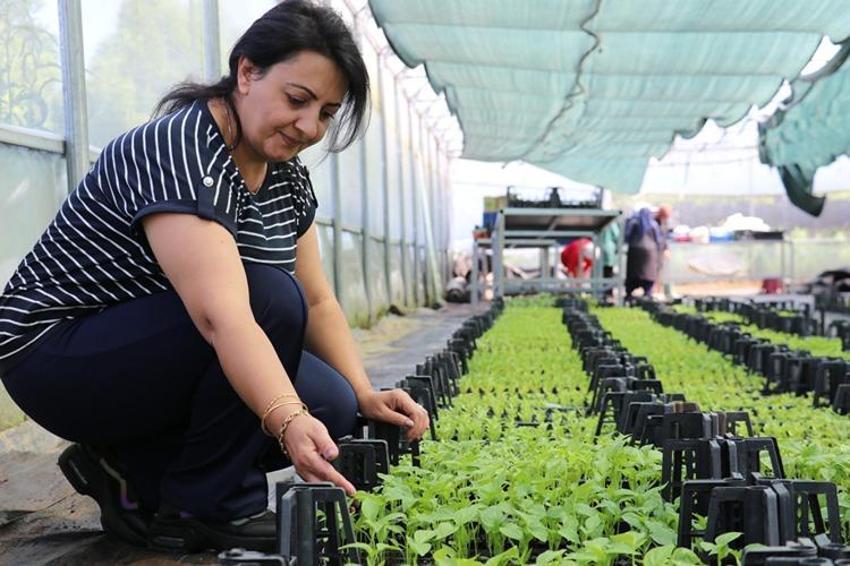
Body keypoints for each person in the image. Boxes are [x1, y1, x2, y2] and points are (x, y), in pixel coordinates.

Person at [0, 0, 428, 552]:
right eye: (297, 99)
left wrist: (366, 393)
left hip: (145, 352)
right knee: (268, 301)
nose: (308, 125)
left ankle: (132, 468)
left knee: (333, 403)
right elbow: (222, 316)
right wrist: (286, 419)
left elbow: (318, 300)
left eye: (326, 112)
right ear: (247, 72)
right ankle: (204, 508)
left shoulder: (286, 176)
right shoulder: (177, 149)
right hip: (54, 354)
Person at [624, 208, 664, 299]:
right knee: (648, 277)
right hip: (650, 253)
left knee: (632, 277)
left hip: (634, 253)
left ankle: (629, 294)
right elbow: (658, 240)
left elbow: (626, 237)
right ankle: (648, 294)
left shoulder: (633, 223)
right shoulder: (653, 225)